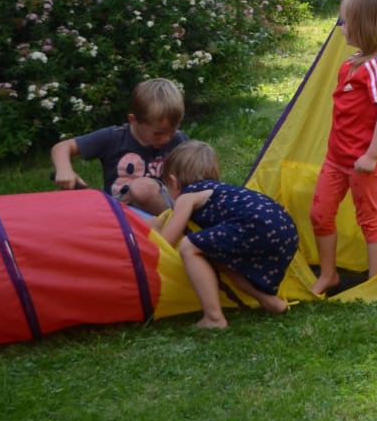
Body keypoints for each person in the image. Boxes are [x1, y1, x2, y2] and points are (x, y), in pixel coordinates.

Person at [308, 0, 377, 296]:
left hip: (363, 161)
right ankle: (329, 274)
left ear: (366, 25)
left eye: (346, 21)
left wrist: (372, 156)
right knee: (320, 214)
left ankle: (374, 281)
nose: (342, 27)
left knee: (369, 219)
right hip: (336, 158)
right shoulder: (353, 62)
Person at [154, 140, 298, 330]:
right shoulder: (221, 191)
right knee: (220, 260)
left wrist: (152, 239)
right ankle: (271, 302)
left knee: (189, 247)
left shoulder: (187, 196)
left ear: (173, 181)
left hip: (257, 224)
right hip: (285, 228)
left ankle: (214, 318)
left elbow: (166, 241)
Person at [49, 78, 188, 191]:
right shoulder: (113, 137)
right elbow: (62, 147)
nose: (166, 138)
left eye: (173, 130)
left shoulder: (179, 140)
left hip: (164, 211)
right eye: (158, 133)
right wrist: (64, 170)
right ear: (134, 120)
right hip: (119, 213)